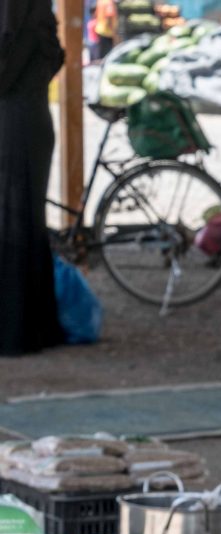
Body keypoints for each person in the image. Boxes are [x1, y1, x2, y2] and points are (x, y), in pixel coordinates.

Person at [0, 0, 67, 356]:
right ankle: (36, 328)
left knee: (13, 227)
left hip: (15, 125)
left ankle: (16, 334)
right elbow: (56, 56)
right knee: (27, 226)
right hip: (31, 118)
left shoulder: (15, 12)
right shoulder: (36, 11)